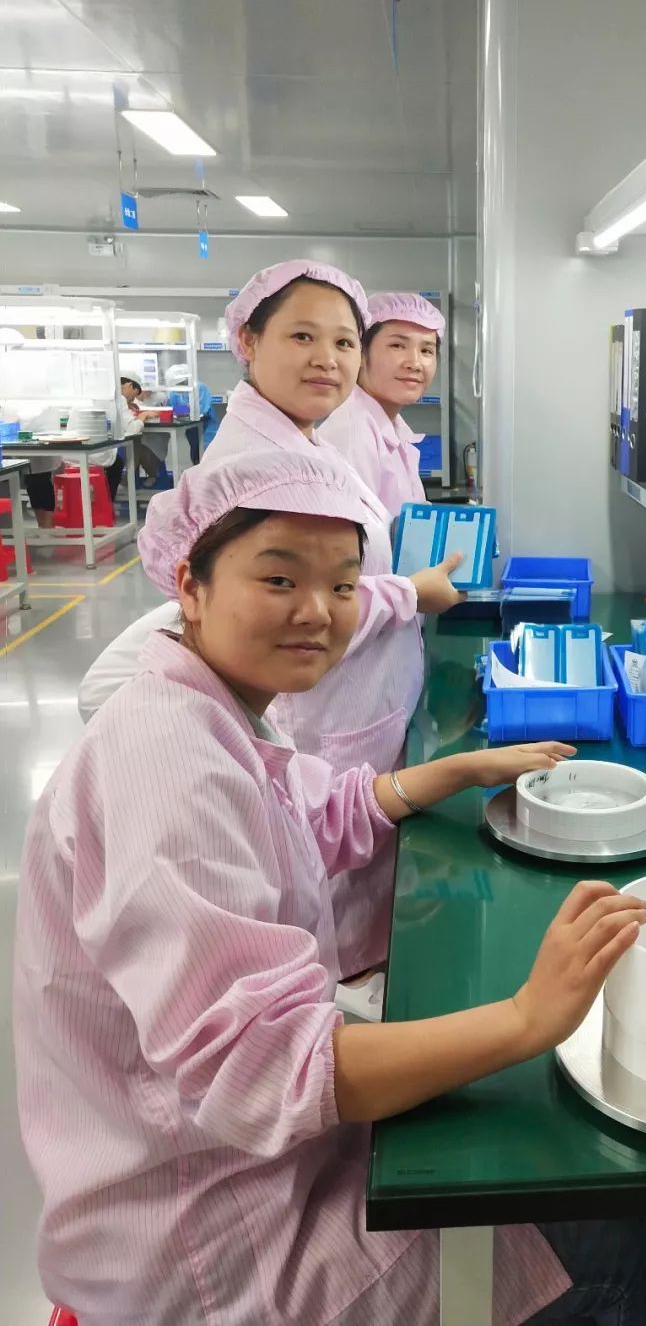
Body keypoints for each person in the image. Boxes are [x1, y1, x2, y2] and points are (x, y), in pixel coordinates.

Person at [13, 450, 646, 1326]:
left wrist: (456, 770)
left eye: (344, 584)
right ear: (191, 584)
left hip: (233, 1155)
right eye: (280, 578)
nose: (318, 611)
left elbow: (308, 816)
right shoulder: (168, 765)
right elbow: (267, 1070)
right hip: (211, 1234)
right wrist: (525, 1018)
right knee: (606, 1246)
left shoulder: (213, 706)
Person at [78, 261, 461, 982]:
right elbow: (310, 607)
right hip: (318, 716)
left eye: (344, 342)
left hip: (350, 706)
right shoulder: (262, 463)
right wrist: (409, 594)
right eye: (303, 336)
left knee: (335, 886)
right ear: (249, 342)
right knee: (311, 911)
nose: (328, 359)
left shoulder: (305, 440)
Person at [321, 291, 443, 516]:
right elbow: (355, 533)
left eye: (426, 350)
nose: (415, 363)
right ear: (360, 353)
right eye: (397, 345)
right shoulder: (353, 434)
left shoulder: (391, 428)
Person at [165, 362, 218, 463]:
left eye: (180, 383)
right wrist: (186, 410)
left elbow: (202, 410)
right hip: (191, 428)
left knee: (208, 454)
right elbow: (173, 409)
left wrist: (184, 410)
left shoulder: (200, 388)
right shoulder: (175, 392)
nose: (178, 386)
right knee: (195, 454)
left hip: (207, 425)